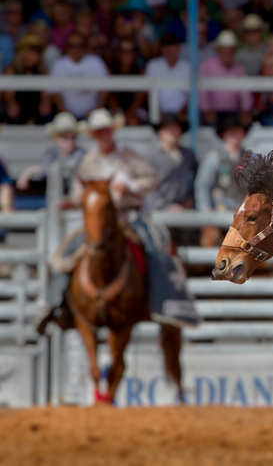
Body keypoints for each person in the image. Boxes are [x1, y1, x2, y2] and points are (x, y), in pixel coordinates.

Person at [34, 108, 199, 335]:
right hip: (99, 221)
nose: (103, 136)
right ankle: (53, 304)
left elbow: (152, 179)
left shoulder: (128, 156)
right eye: (98, 132)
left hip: (129, 214)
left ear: (112, 132)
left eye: (106, 131)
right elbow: (79, 193)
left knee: (156, 247)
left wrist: (130, 186)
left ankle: (167, 302)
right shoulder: (88, 163)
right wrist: (72, 202)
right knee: (68, 253)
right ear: (93, 135)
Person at [195, 114, 250, 247]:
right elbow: (203, 185)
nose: (235, 138)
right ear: (224, 135)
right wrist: (206, 209)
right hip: (219, 211)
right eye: (231, 134)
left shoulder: (250, 158)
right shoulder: (214, 157)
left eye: (238, 133)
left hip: (243, 213)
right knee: (211, 239)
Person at [15, 112, 85, 196]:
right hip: (56, 198)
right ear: (55, 138)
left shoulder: (81, 153)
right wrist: (28, 173)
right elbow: (44, 169)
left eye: (73, 137)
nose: (70, 141)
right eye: (64, 137)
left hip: (76, 199)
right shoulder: (51, 153)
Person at [142, 113, 198, 213]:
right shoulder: (150, 156)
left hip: (186, 209)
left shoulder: (189, 155)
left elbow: (197, 181)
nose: (172, 132)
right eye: (168, 129)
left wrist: (191, 200)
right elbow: (147, 188)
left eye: (175, 128)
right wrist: (166, 206)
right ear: (160, 132)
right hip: (158, 210)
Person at [48, 32, 108, 119]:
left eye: (80, 45)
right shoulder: (59, 64)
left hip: (93, 116)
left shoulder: (96, 62)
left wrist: (96, 110)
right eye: (72, 45)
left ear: (85, 46)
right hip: (66, 115)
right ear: (67, 47)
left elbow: (104, 89)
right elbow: (55, 93)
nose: (76, 49)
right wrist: (65, 113)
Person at [199, 30, 254, 126]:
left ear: (234, 51)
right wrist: (207, 111)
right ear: (219, 50)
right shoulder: (207, 66)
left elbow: (245, 93)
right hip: (212, 112)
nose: (227, 53)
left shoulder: (239, 68)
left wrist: (245, 111)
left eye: (230, 50)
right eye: (224, 49)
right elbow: (202, 93)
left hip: (233, 113)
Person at [144, 33, 190, 116]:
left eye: (172, 46)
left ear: (178, 48)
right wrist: (158, 112)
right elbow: (148, 93)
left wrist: (183, 112)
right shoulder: (153, 65)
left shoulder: (187, 67)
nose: (169, 50)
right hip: (158, 113)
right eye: (166, 47)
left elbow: (191, 96)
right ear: (162, 49)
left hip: (183, 114)